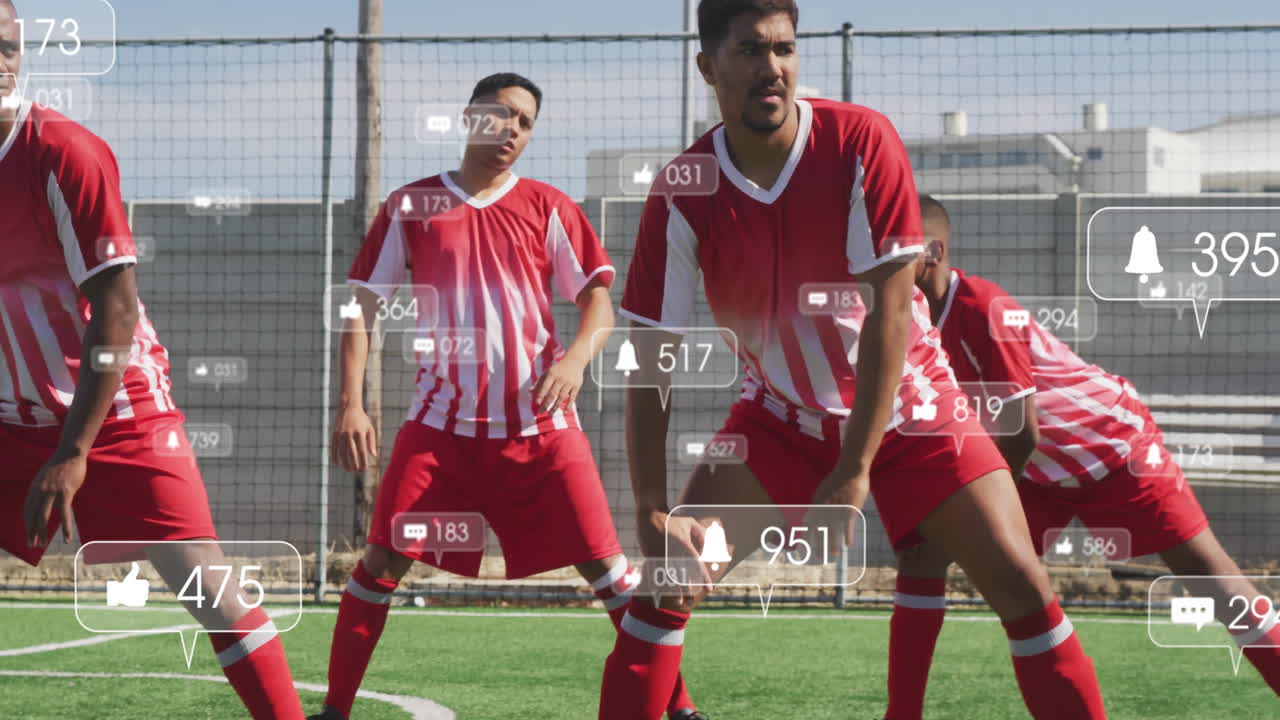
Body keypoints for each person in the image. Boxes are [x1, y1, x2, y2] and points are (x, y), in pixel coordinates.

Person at [599, 2, 1109, 718]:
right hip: (778, 420)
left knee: (1024, 585)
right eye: (750, 50)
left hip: (915, 409)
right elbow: (652, 354)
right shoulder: (685, 190)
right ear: (708, 67)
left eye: (783, 48)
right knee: (666, 583)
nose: (772, 66)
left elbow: (893, 314)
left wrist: (853, 467)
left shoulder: (860, 139)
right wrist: (653, 510)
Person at [311, 73, 703, 720]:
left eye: (526, 122)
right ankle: (335, 710)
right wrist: (351, 403)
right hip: (440, 430)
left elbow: (599, 305)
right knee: (380, 559)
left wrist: (576, 359)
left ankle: (680, 707)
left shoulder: (549, 206)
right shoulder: (412, 207)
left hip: (542, 431)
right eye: (502, 115)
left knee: (609, 571)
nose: (513, 131)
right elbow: (362, 310)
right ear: (470, 118)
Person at [0, 3, 305, 718]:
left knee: (204, 585)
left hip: (115, 414)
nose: (0, 60)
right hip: (11, 417)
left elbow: (117, 311)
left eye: (8, 45)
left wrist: (73, 453)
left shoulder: (63, 152)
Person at [881, 194, 1280, 719]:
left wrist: (993, 502)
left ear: (930, 252)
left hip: (1114, 450)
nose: (877, 263)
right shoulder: (911, 323)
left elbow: (1021, 432)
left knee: (1211, 578)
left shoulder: (981, 306)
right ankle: (901, 713)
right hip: (1042, 472)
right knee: (923, 555)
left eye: (893, 250)